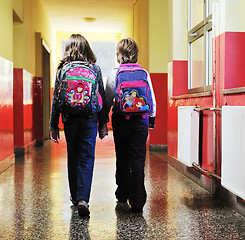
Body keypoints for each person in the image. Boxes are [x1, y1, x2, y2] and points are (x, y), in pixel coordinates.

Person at [50, 34, 109, 217]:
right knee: (86, 157)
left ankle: (75, 197)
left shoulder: (62, 69)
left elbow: (57, 100)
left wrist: (53, 124)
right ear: (87, 49)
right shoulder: (95, 69)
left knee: (73, 156)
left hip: (69, 119)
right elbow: (101, 97)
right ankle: (84, 199)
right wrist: (103, 123)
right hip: (89, 118)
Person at [105, 38, 156, 213]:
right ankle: (138, 200)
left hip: (121, 122)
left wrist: (103, 120)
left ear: (118, 55)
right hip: (140, 122)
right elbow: (152, 99)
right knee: (138, 160)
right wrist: (152, 118)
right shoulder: (144, 73)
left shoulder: (115, 73)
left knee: (123, 157)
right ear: (136, 54)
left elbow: (107, 99)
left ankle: (122, 193)